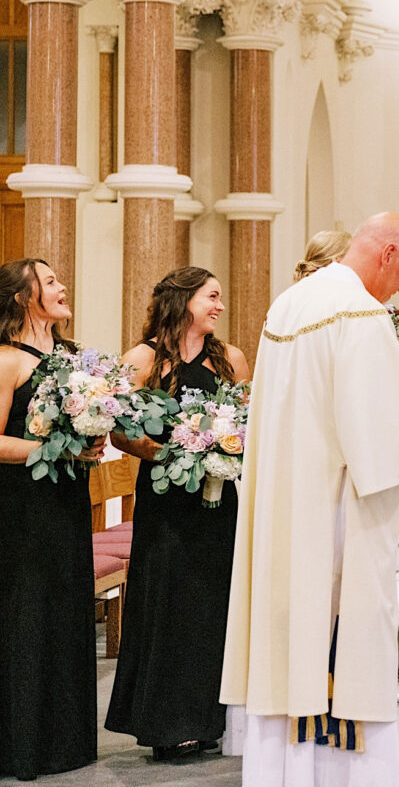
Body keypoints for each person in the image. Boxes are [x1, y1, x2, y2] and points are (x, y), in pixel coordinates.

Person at [221, 214, 399, 787]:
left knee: (292, 643)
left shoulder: (289, 304)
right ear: (386, 254)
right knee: (339, 636)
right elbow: (378, 437)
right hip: (336, 516)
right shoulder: (360, 314)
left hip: (287, 509)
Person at [105, 268, 252, 761]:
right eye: (212, 296)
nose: (220, 305)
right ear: (184, 300)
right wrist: (167, 454)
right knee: (169, 603)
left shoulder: (231, 359)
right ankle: (169, 723)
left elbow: (249, 422)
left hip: (217, 500)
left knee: (212, 606)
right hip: (166, 500)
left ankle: (209, 719)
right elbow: (119, 433)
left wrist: (224, 449)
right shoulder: (142, 360)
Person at [0, 260, 99, 781]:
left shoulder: (70, 357)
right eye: (51, 281)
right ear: (22, 298)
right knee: (29, 612)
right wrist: (54, 450)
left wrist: (93, 437)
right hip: (22, 508)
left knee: (65, 606)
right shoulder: (7, 360)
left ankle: (67, 740)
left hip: (65, 502)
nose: (63, 287)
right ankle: (24, 746)